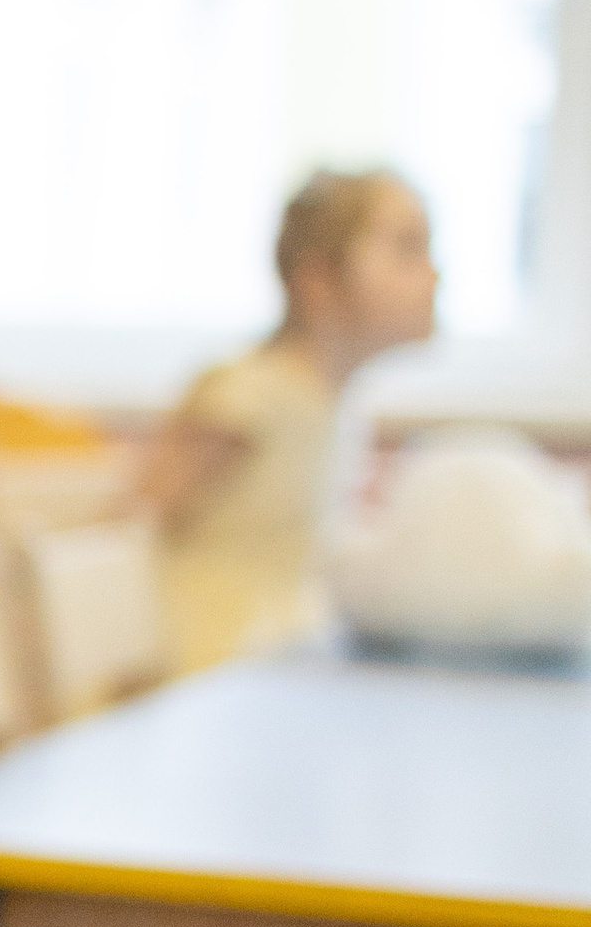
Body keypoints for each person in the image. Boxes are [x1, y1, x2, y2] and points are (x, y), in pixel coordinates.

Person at [142, 167, 438, 671]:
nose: (434, 274)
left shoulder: (334, 400)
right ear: (317, 280)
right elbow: (132, 528)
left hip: (283, 663)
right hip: (208, 672)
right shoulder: (245, 396)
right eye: (407, 248)